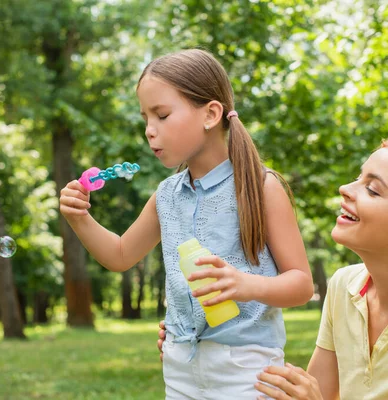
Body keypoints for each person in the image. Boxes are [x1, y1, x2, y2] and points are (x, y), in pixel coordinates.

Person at [59, 48, 314, 399]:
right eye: (145, 118)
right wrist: (80, 218)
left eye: (161, 115)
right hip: (179, 367)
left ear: (211, 114)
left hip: (246, 371)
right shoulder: (166, 196)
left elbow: (300, 285)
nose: (150, 131)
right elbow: (119, 255)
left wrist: (244, 285)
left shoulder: (259, 187)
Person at [159, 130, 388, 399]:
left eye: (372, 189)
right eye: (358, 178)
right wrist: (200, 350)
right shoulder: (345, 287)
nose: (345, 189)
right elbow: (316, 392)